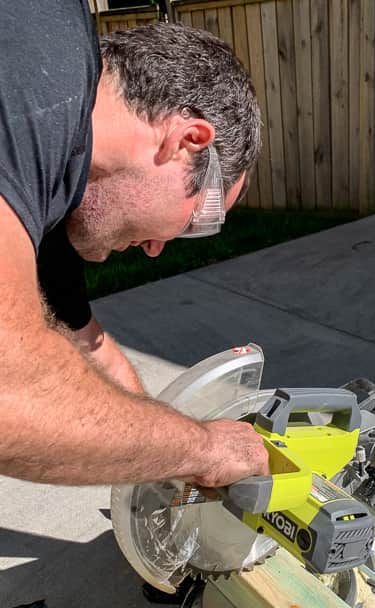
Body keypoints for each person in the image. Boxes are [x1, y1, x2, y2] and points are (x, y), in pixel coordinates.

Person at [0, 2, 269, 488]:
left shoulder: (56, 169)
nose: (156, 248)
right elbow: (11, 392)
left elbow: (86, 341)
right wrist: (202, 450)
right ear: (187, 141)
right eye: (200, 218)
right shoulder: (34, 73)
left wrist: (165, 458)